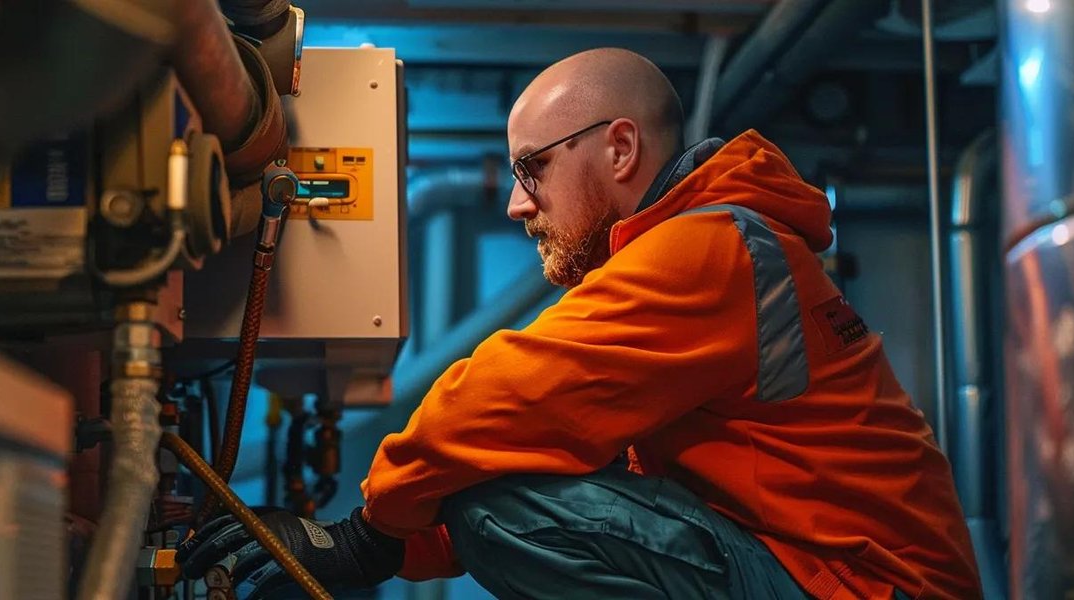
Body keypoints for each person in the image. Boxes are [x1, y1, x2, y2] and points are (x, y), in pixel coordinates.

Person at [179, 47, 982, 599]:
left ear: (620, 148)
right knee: (490, 489)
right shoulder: (712, 245)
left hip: (857, 587)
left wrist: (367, 536)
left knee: (495, 506)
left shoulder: (711, 248)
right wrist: (395, 542)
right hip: (824, 575)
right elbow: (581, 465)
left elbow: (496, 399)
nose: (515, 202)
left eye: (532, 168)